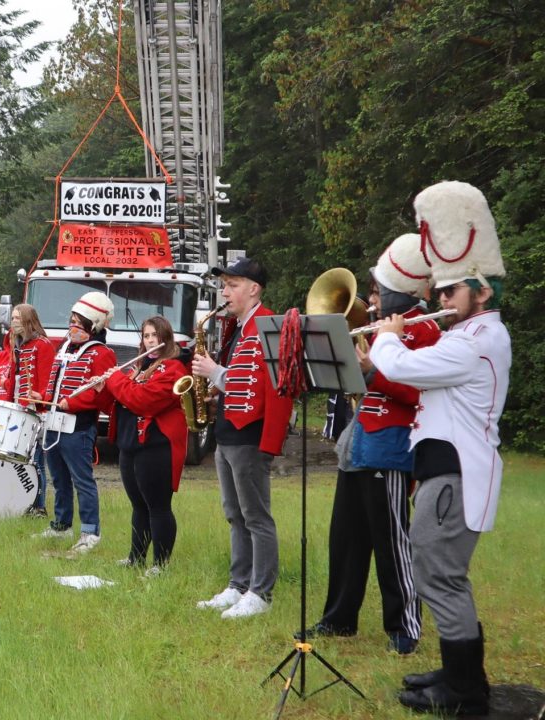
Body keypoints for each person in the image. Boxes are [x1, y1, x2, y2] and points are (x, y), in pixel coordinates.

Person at [370, 182, 510, 716]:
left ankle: (465, 692)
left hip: (455, 473)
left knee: (439, 574)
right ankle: (457, 674)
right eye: (442, 290)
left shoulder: (478, 342)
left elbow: (402, 368)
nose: (442, 298)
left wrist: (387, 333)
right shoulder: (463, 335)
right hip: (441, 469)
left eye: (452, 290)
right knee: (437, 572)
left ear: (482, 292)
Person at [302, 234, 439, 655]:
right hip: (360, 443)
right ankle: (339, 617)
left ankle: (404, 626)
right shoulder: (382, 329)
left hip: (394, 445)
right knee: (346, 536)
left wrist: (371, 372)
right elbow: (363, 382)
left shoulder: (425, 330)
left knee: (391, 539)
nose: (374, 298)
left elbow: (421, 391)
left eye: (379, 290)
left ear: (402, 290)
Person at [191, 257, 293, 619]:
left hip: (250, 435)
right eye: (224, 285)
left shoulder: (270, 324)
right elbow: (243, 379)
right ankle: (238, 585)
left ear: (254, 288)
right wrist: (217, 391)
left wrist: (216, 373)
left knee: (256, 517)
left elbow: (272, 386)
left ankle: (260, 593)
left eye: (232, 284)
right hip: (228, 431)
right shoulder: (237, 327)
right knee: (234, 514)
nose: (225, 291)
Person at [97, 316, 187, 574]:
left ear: (165, 339)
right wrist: (105, 387)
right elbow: (116, 403)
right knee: (138, 505)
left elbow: (142, 401)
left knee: (157, 506)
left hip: (156, 445)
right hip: (130, 443)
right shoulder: (137, 367)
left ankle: (161, 564)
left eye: (155, 336)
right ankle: (136, 558)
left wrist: (116, 380)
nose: (150, 341)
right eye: (146, 336)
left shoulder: (172, 369)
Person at [31, 291, 116, 553]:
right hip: (54, 422)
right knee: (59, 479)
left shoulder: (101, 354)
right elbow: (54, 385)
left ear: (95, 325)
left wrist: (73, 403)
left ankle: (90, 532)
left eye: (79, 322)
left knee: (82, 480)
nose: (73, 326)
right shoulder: (64, 348)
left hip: (78, 427)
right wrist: (42, 398)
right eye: (72, 321)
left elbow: (103, 396)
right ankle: (61, 525)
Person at [0, 303, 55, 515]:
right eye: (13, 318)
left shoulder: (42, 345)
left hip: (35, 412)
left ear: (28, 320)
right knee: (18, 461)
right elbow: (12, 381)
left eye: (18, 318)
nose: (13, 322)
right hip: (18, 411)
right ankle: (21, 502)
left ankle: (39, 506)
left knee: (36, 462)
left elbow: (48, 381)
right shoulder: (20, 346)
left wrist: (42, 398)